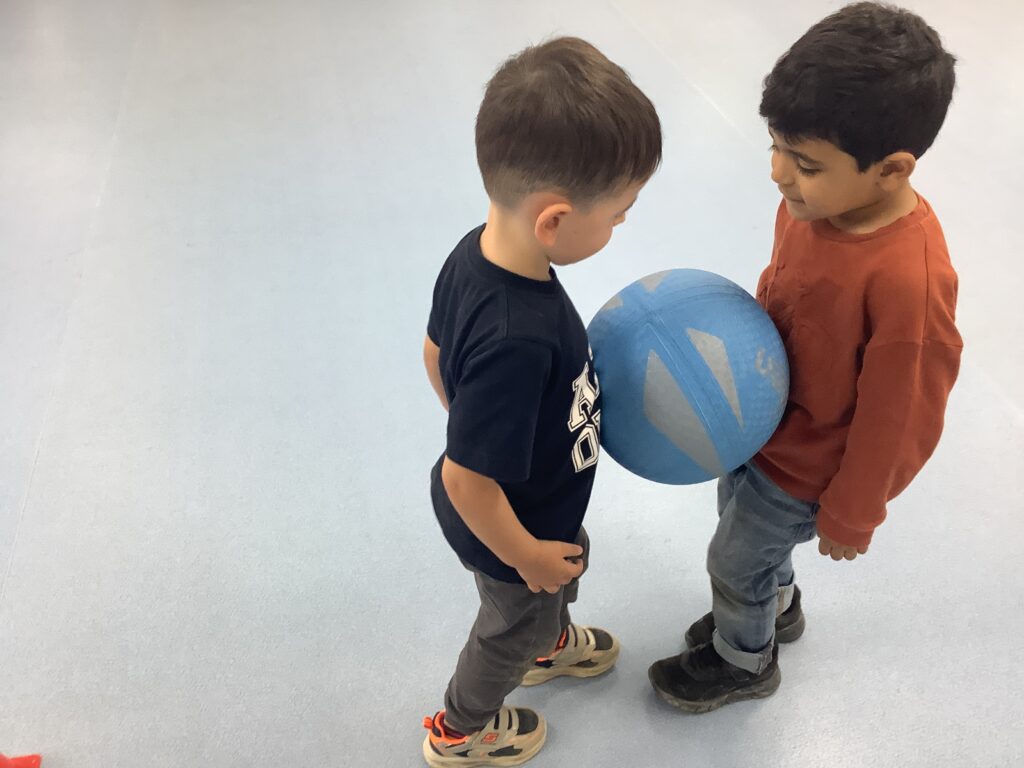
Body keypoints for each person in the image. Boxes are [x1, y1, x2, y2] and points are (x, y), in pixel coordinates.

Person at [649, 1, 962, 713]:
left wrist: (854, 510)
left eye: (806, 164)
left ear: (891, 170)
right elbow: (782, 290)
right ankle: (775, 606)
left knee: (732, 558)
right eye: (776, 147)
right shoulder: (808, 206)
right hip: (759, 424)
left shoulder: (908, 282)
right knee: (737, 523)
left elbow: (900, 415)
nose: (778, 174)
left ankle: (744, 660)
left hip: (811, 466)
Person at [421, 37, 662, 764]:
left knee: (568, 564)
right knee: (509, 625)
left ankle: (549, 643)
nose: (621, 226)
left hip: (539, 499)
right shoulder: (516, 339)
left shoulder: (476, 250)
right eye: (617, 214)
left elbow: (433, 351)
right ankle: (461, 729)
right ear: (553, 220)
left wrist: (485, 423)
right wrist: (523, 555)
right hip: (507, 526)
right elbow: (467, 479)